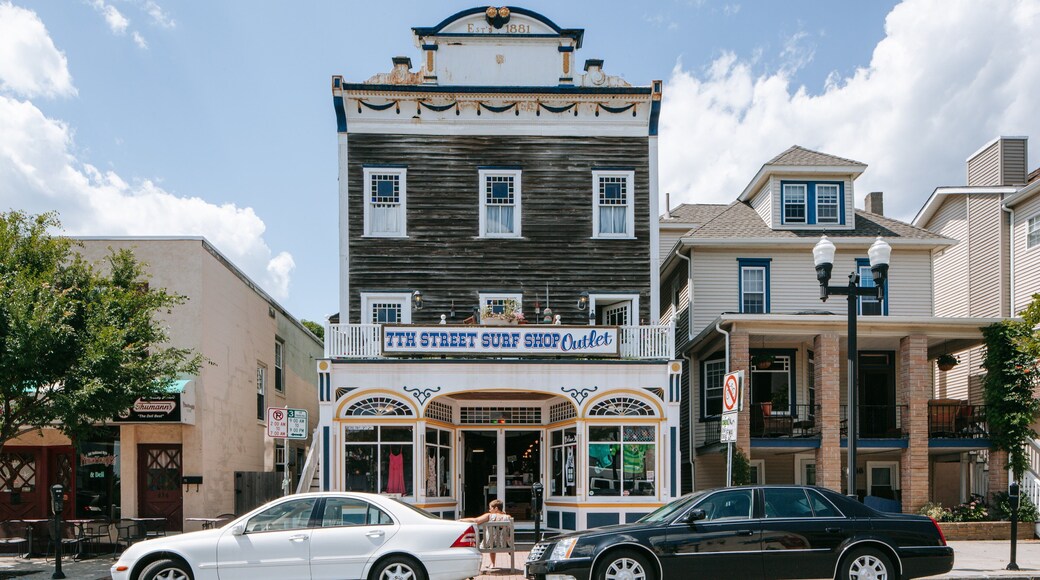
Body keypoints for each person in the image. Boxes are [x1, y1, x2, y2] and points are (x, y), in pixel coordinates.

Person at [461, 499, 512, 569]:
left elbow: (475, 520)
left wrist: (461, 520)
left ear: (496, 508)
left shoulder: (489, 516)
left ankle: (491, 564)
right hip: (504, 544)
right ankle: (493, 563)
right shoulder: (508, 517)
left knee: (491, 539)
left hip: (488, 545)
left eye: (490, 508)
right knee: (495, 539)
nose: (489, 510)